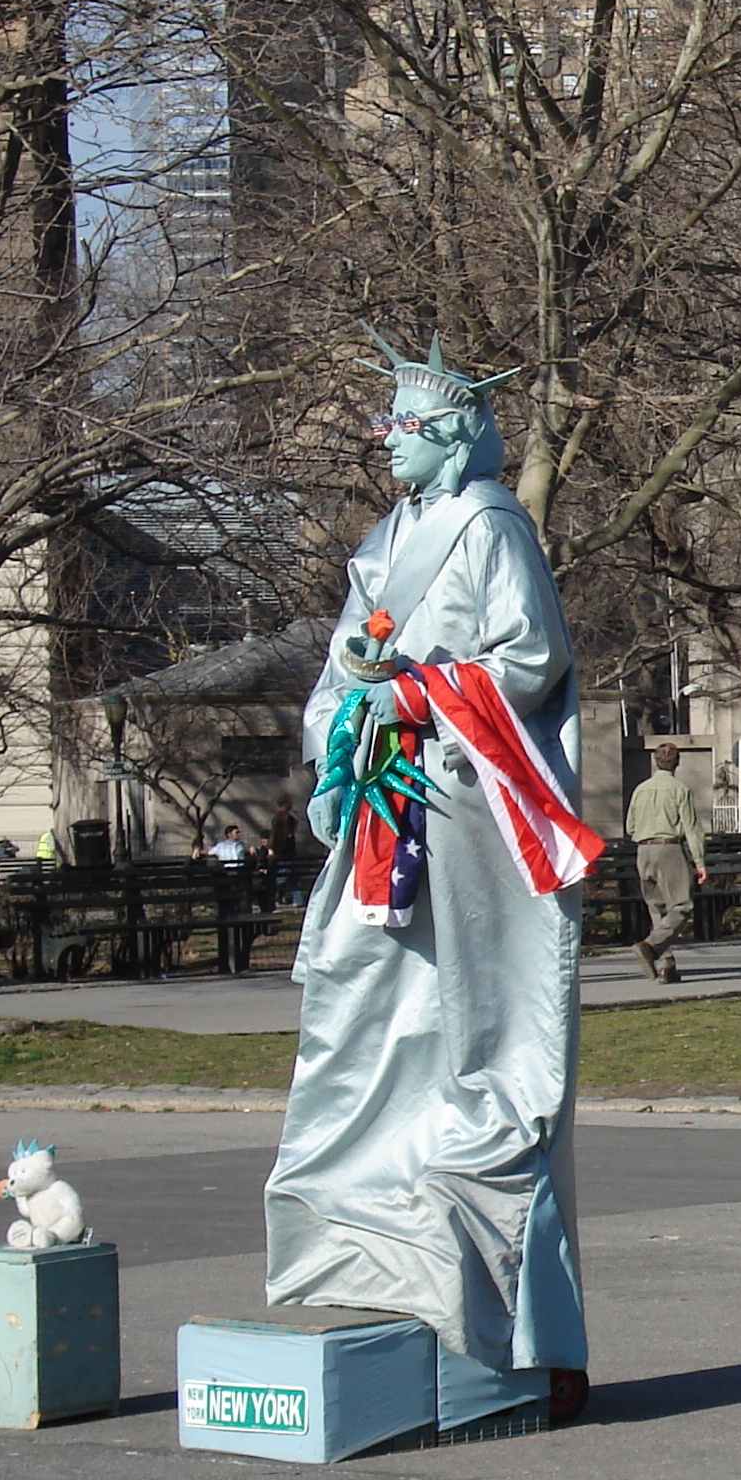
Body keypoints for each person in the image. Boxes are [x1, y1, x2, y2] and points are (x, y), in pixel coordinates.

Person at [268, 331, 602, 1415]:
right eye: (385, 427)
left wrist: (415, 696)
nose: (386, 445)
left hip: (464, 809)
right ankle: (374, 1253)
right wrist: (351, 708)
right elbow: (338, 673)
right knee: (367, 1013)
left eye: (403, 429)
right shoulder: (385, 537)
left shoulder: (492, 525)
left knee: (479, 1036)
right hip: (383, 806)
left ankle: (512, 1318)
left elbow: (530, 659)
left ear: (453, 436)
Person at [626, 744, 708, 982]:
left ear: (655, 761)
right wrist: (700, 861)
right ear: (677, 762)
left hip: (643, 851)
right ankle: (650, 947)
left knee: (658, 908)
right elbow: (692, 828)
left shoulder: (640, 790)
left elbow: (630, 826)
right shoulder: (679, 789)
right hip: (669, 848)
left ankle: (666, 966)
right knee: (682, 905)